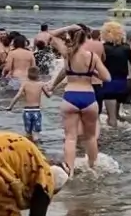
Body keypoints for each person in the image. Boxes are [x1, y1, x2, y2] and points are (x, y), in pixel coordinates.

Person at [48, 28, 111, 175]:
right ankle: (93, 169)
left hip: (70, 96)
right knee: (90, 137)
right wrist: (93, 72)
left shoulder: (67, 54)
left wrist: (71, 26)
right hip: (88, 97)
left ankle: (68, 172)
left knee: (70, 138)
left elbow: (51, 35)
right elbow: (107, 78)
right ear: (86, 40)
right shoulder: (92, 57)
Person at [99, 23, 131, 127]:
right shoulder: (126, 48)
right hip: (122, 85)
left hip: (109, 84)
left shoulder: (103, 48)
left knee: (111, 117)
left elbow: (98, 65)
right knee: (116, 113)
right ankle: (121, 132)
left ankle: (114, 138)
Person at [7, 66, 51, 141]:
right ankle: (37, 148)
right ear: (38, 75)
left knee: (28, 133)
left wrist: (10, 106)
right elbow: (48, 95)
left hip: (27, 111)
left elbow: (17, 96)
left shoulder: (25, 84)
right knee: (36, 133)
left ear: (28, 75)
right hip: (36, 111)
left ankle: (28, 147)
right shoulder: (41, 84)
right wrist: (51, 90)